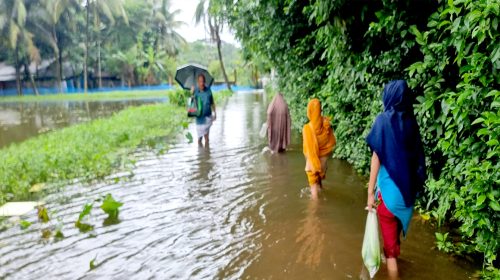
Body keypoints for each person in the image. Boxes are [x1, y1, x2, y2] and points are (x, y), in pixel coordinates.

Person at [366, 80, 426, 277]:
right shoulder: (411, 122)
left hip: (388, 199)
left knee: (390, 253)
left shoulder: (383, 121)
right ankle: (393, 259)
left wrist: (369, 193)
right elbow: (417, 160)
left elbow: (376, 158)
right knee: (393, 242)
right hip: (407, 199)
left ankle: (393, 273)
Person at [303, 99, 336, 200]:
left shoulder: (307, 128)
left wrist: (314, 163)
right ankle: (321, 188)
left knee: (314, 194)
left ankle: (316, 212)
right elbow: (331, 142)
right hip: (323, 162)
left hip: (312, 164)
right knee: (320, 181)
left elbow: (308, 149)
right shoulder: (326, 125)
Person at [191, 74, 216, 146]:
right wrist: (192, 94)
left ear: (205, 82)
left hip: (208, 116)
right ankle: (200, 154)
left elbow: (212, 102)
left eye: (203, 81)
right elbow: (192, 105)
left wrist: (215, 113)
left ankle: (207, 154)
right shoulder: (195, 91)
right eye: (200, 81)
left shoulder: (208, 90)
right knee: (199, 138)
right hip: (199, 118)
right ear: (198, 82)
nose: (202, 83)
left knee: (207, 138)